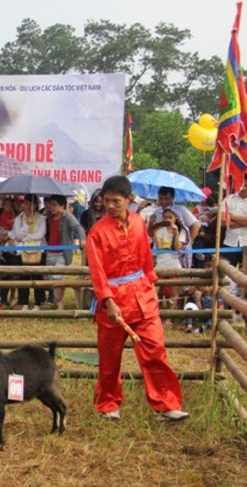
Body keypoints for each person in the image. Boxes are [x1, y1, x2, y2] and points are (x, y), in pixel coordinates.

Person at [86, 175, 187, 422]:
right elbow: (97, 272)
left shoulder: (140, 223)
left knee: (155, 351)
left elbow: (145, 259)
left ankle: (165, 405)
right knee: (110, 357)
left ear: (129, 199)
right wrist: (107, 301)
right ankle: (108, 404)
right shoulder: (96, 233)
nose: (110, 206)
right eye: (106, 201)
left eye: (115, 201)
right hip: (114, 300)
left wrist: (151, 286)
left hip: (143, 296)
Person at [43, 194, 86, 310]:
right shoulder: (48, 218)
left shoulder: (68, 217)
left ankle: (60, 304)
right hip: (49, 252)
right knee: (50, 278)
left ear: (62, 206)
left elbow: (79, 228)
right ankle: (58, 298)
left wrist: (83, 240)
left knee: (57, 277)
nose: (51, 207)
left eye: (54, 205)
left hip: (62, 253)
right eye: (50, 204)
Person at [7, 194, 46, 311]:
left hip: (38, 250)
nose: (28, 206)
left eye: (31, 203)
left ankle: (38, 303)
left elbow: (40, 234)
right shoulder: (19, 218)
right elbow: (17, 234)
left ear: (36, 205)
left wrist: (24, 238)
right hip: (22, 251)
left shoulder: (41, 218)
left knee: (38, 277)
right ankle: (23, 302)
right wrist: (26, 226)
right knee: (23, 277)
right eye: (26, 203)